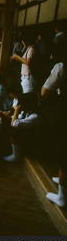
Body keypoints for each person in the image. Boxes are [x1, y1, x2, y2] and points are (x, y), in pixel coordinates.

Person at [41, 54, 66, 207]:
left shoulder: (62, 66)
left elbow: (45, 91)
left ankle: (63, 197)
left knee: (64, 152)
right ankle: (63, 179)